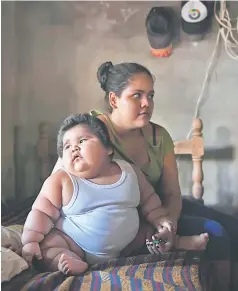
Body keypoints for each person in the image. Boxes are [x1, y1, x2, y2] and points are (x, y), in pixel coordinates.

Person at [21, 113, 209, 275]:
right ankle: (68, 261)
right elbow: (40, 213)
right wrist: (30, 241)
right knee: (50, 245)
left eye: (82, 141)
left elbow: (150, 202)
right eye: (67, 146)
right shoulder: (60, 181)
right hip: (75, 243)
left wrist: (162, 221)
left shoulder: (129, 172)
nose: (74, 148)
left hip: (128, 243)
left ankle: (177, 242)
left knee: (151, 234)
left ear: (108, 149)